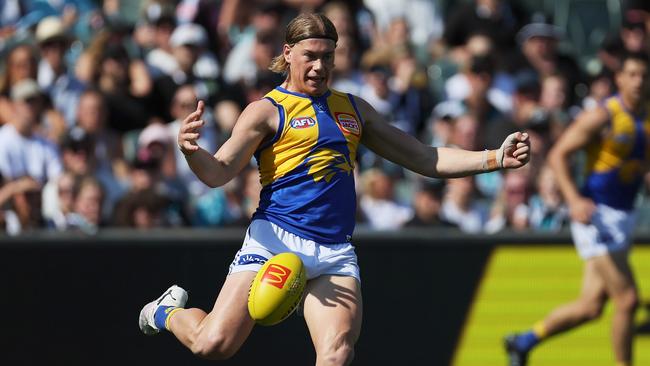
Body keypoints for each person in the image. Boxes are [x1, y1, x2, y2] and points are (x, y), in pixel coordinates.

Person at [139, 13, 530, 365]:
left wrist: (494, 158)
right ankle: (166, 312)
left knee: (337, 352)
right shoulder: (266, 111)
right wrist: (191, 150)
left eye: (328, 56)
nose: (320, 65)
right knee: (214, 345)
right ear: (288, 53)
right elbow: (218, 172)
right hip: (274, 241)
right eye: (311, 55)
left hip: (333, 252)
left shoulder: (353, 109)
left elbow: (425, 158)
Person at [504, 52, 648, 366]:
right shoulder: (605, 115)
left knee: (591, 306)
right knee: (627, 299)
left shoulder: (645, 118)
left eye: (644, 75)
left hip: (623, 217)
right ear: (620, 79)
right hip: (596, 216)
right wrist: (573, 200)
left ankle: (524, 340)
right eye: (632, 74)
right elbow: (558, 154)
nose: (639, 82)